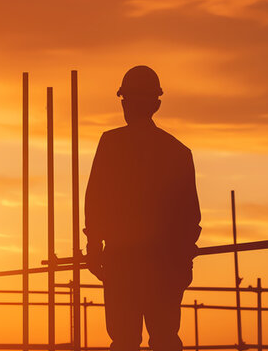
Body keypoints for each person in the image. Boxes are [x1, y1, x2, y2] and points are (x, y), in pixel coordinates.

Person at [84, 65, 201, 351]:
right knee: (164, 340)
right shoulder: (177, 152)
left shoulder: (111, 144)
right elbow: (190, 217)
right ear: (156, 104)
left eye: (127, 100)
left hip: (123, 265)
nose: (126, 106)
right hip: (164, 266)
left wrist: (94, 248)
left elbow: (95, 200)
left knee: (124, 341)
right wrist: (183, 262)